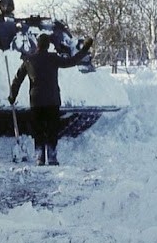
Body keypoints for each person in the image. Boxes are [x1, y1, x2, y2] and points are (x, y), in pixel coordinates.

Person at [8, 34, 94, 166]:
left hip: (36, 101)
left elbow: (17, 79)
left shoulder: (29, 60)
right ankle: (52, 156)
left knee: (38, 129)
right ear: (48, 46)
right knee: (52, 129)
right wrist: (85, 48)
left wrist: (12, 96)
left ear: (37, 45)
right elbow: (71, 61)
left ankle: (40, 156)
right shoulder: (53, 58)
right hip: (53, 100)